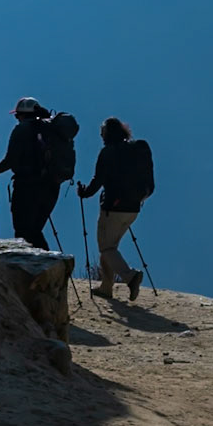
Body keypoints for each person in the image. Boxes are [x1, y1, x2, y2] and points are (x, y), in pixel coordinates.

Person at [77, 118, 154, 301]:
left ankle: (131, 277)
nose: (101, 136)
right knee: (110, 248)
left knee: (106, 247)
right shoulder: (140, 148)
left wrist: (84, 193)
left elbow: (98, 181)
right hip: (134, 208)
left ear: (107, 134)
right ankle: (106, 287)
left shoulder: (108, 152)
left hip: (113, 208)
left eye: (102, 133)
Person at [0, 97, 61, 250]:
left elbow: (10, 160)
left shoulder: (22, 129)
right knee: (34, 230)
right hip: (51, 188)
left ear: (23, 114)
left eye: (17, 115)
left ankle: (32, 268)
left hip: (27, 186)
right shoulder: (51, 129)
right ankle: (48, 267)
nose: (17, 119)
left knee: (23, 230)